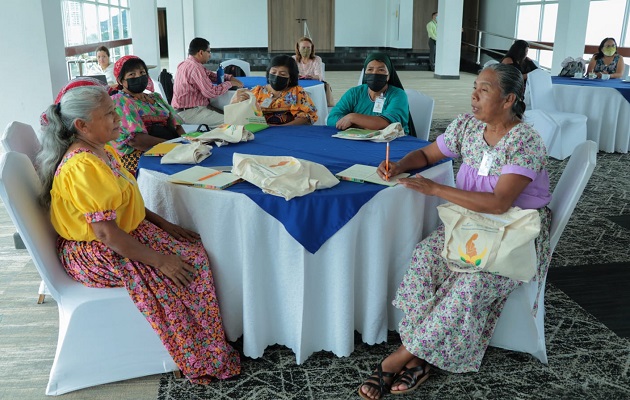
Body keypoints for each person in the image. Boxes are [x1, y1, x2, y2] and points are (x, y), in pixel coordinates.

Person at [358, 63, 552, 400]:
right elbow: (428, 153)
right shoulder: (467, 124)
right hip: (471, 224)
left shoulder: (525, 141)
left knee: (471, 282)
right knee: (424, 256)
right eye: (474, 86)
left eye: (484, 89)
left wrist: (435, 190)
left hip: (513, 232)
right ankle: (424, 356)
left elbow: (498, 204)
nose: (473, 94)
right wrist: (401, 165)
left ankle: (401, 356)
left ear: (508, 99)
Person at [36, 83, 241, 384]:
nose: (118, 117)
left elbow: (124, 203)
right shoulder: (83, 166)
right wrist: (160, 261)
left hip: (120, 234)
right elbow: (106, 233)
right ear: (82, 125)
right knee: (181, 273)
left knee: (193, 251)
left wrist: (163, 225)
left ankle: (210, 341)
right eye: (108, 114)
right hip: (96, 251)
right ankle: (201, 359)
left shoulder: (100, 150)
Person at [111, 55, 185, 175]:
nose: (138, 77)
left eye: (142, 72)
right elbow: (135, 141)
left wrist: (187, 144)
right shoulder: (120, 101)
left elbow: (177, 125)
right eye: (132, 75)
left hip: (169, 147)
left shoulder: (155, 97)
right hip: (139, 156)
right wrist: (172, 147)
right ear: (121, 81)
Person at [327, 52, 410, 134]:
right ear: (365, 73)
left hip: (392, 143)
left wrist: (352, 117)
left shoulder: (398, 95)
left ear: (389, 74)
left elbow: (386, 125)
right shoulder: (354, 93)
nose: (374, 73)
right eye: (370, 69)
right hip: (358, 141)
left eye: (381, 70)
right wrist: (363, 126)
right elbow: (332, 118)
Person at [171, 37, 244, 127]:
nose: (210, 55)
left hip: (187, 109)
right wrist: (230, 83)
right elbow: (211, 92)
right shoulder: (195, 68)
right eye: (208, 52)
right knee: (232, 122)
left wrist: (229, 77)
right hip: (190, 113)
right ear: (201, 52)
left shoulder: (186, 63)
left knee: (229, 115)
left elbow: (210, 75)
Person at [230, 55, 318, 125]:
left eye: (282, 74)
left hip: (289, 132)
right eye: (273, 72)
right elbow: (241, 115)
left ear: (290, 77)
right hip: (261, 133)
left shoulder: (296, 92)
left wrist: (282, 128)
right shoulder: (257, 91)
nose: (276, 76)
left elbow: (306, 117)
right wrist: (237, 102)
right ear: (268, 73)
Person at [293, 37, 335, 106]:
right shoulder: (293, 59)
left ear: (312, 48)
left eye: (308, 47)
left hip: (313, 85)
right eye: (303, 47)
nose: (306, 50)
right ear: (298, 48)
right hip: (297, 85)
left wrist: (311, 76)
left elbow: (319, 76)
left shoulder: (316, 59)